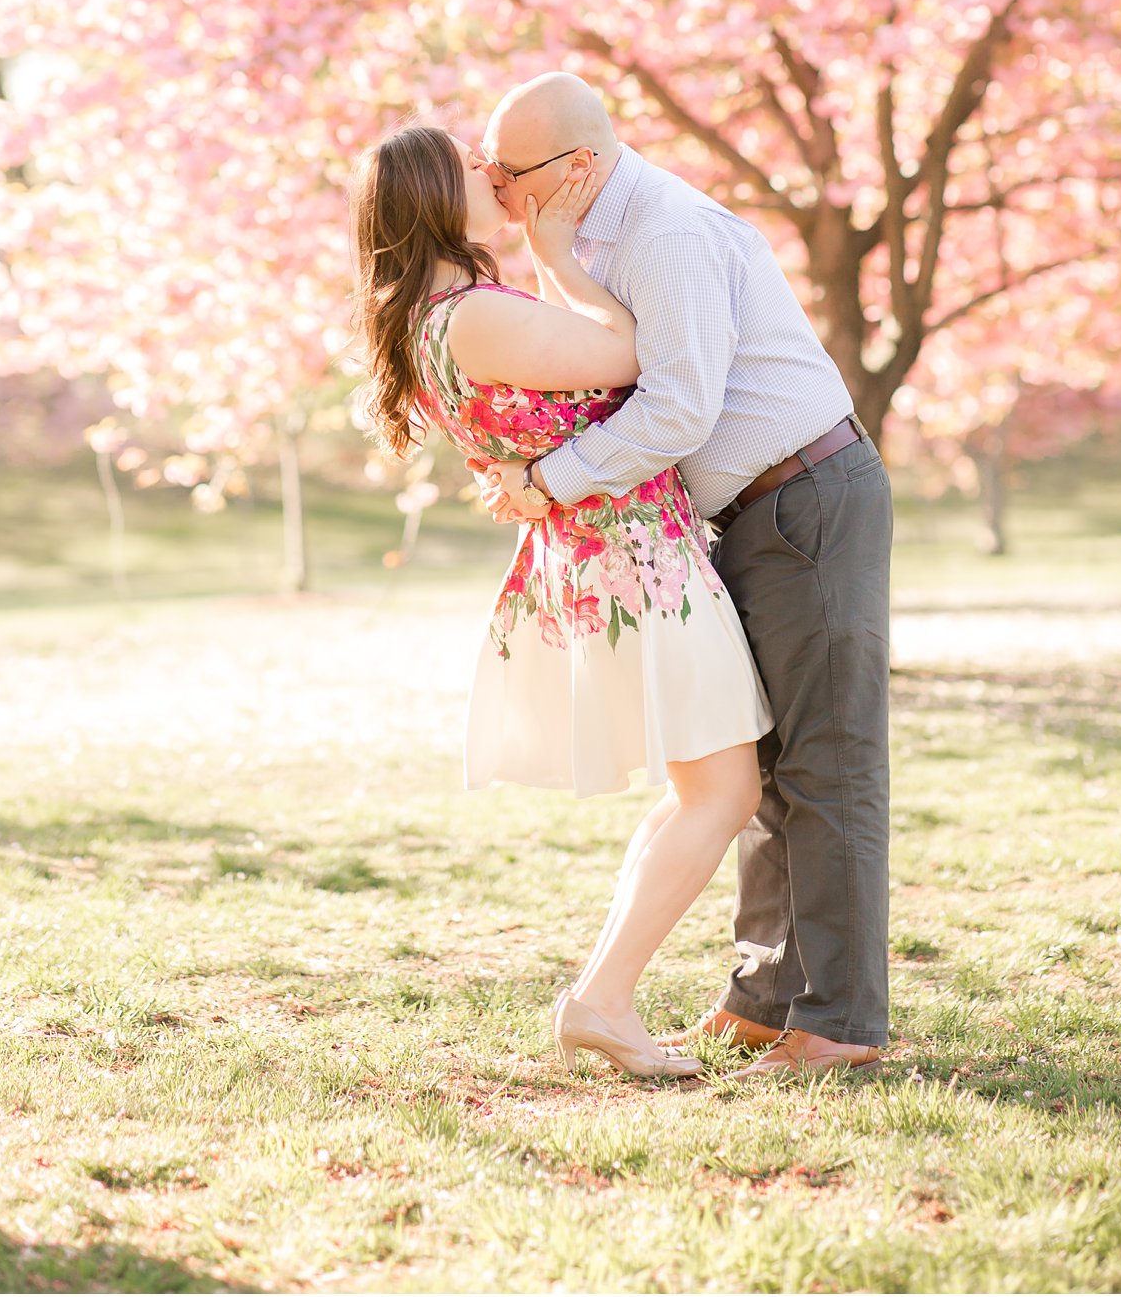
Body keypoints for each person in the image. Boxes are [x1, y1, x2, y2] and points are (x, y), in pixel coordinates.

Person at [477, 73, 893, 1081]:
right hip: (746, 513)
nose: (494, 194)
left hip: (803, 496)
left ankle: (833, 1024)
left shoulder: (661, 232)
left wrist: (550, 482)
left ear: (576, 166)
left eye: (508, 176)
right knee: (755, 769)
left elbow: (677, 411)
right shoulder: (590, 240)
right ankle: (762, 1000)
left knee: (824, 767)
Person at [350, 120, 772, 1083]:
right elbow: (628, 351)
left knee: (702, 788)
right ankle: (601, 998)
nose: (493, 171)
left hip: (611, 557)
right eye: (470, 167)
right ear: (432, 199)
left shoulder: (447, 312)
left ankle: (603, 996)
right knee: (723, 791)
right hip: (634, 561)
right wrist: (556, 253)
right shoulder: (473, 313)